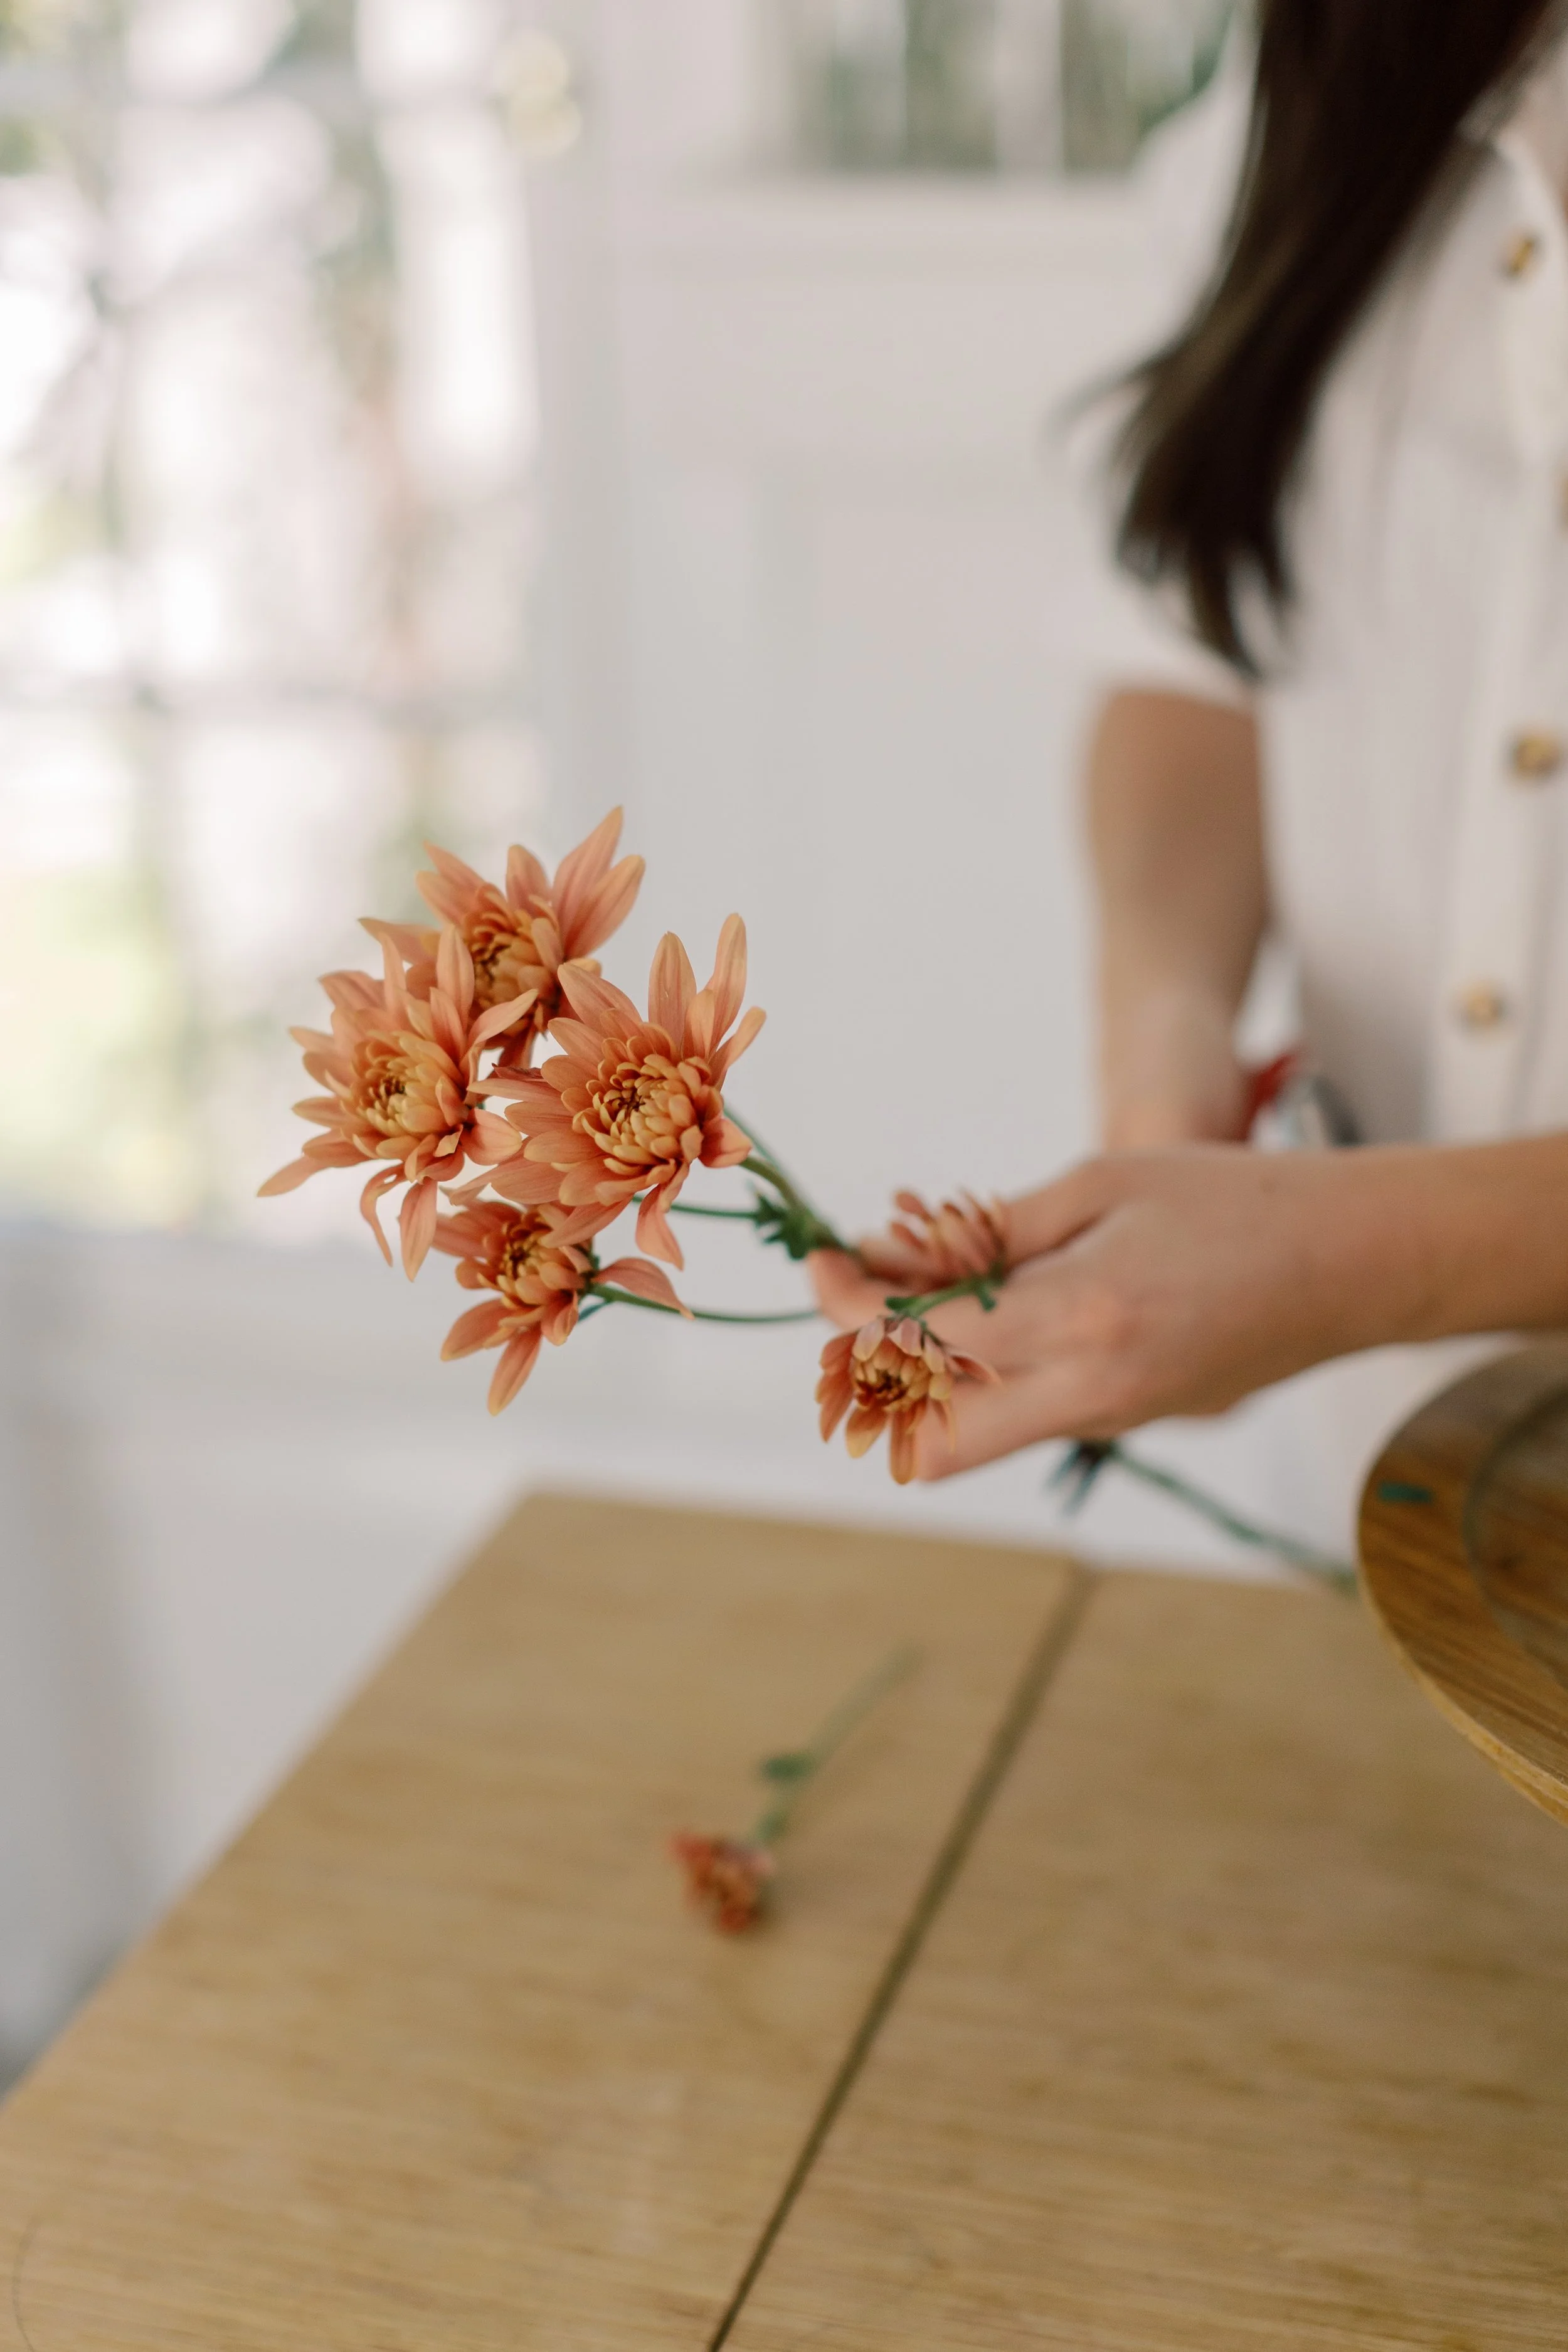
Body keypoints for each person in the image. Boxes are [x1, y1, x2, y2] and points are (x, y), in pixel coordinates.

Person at [815, 0, 1568, 1491]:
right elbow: (1194, 654)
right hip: (1402, 1489)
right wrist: (1166, 1053)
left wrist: (1345, 1260)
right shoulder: (1332, 68)